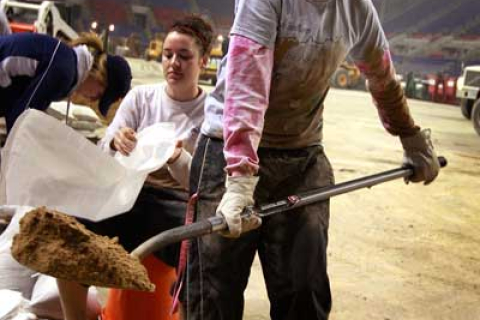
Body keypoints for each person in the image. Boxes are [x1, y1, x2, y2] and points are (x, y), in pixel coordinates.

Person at [181, 1, 441, 320]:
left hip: (301, 154)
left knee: (304, 291)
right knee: (213, 293)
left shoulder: (356, 9)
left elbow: (382, 76)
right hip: (227, 150)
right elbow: (247, 87)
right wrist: (239, 180)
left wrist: (411, 136)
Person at [56, 15, 214, 320]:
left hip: (179, 203)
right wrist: (116, 142)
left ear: (204, 62)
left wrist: (177, 160)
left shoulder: (210, 112)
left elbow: (204, 182)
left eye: (184, 57)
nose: (173, 64)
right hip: (130, 194)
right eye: (168, 55)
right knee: (70, 232)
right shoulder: (142, 97)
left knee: (203, 256)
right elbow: (103, 153)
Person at [0, 32, 132, 133]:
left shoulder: (67, 63)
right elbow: (22, 119)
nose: (92, 101)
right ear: (100, 77)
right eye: (98, 96)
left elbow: (16, 104)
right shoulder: (64, 72)